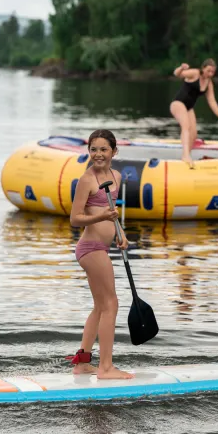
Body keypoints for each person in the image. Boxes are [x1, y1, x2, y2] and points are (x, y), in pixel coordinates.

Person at [68, 129, 134, 380]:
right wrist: (103, 217)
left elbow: (111, 214)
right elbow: (76, 219)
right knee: (111, 305)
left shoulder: (115, 176)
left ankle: (82, 363)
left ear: (114, 152)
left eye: (103, 149)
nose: (98, 154)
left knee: (100, 307)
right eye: (93, 149)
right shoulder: (87, 180)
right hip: (90, 249)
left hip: (103, 247)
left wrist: (120, 233)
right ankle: (106, 368)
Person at [170, 58, 218, 169]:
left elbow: (212, 101)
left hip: (189, 107)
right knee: (186, 126)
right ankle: (186, 156)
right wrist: (181, 67)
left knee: (194, 133)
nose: (210, 74)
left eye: (212, 72)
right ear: (203, 68)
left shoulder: (209, 83)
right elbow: (177, 74)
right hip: (178, 103)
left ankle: (186, 154)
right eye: (208, 71)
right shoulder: (195, 73)